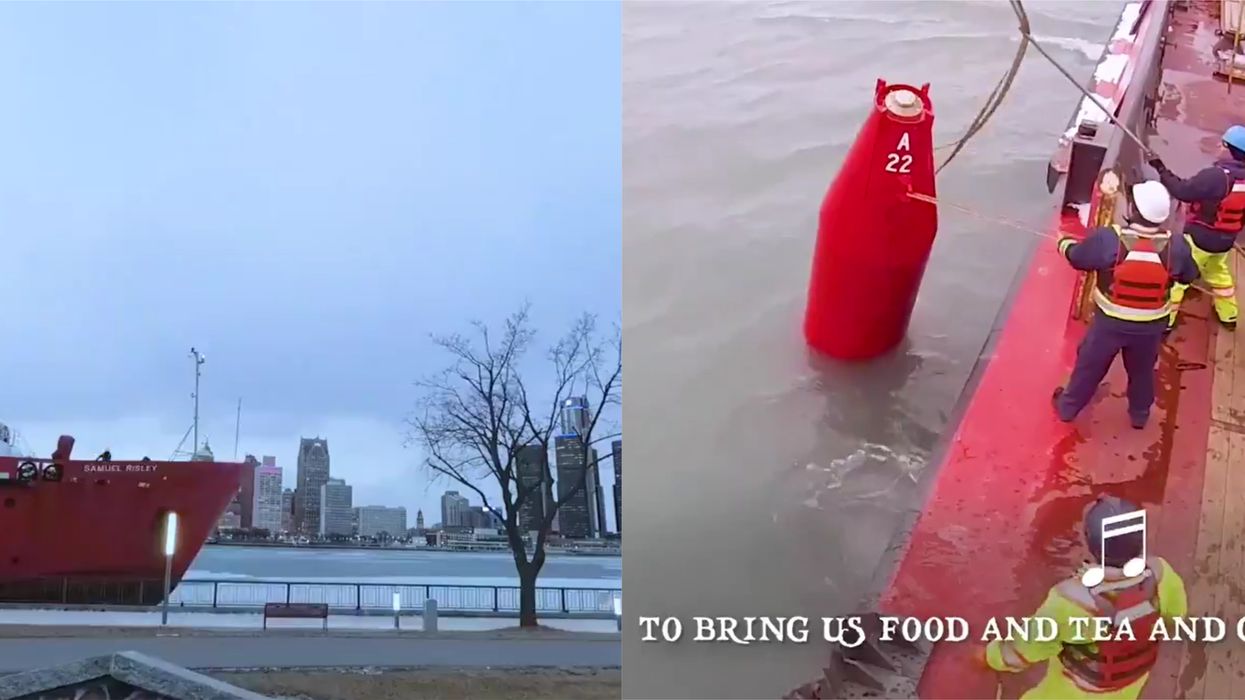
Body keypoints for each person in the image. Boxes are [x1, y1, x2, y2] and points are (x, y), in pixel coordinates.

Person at [985, 496, 1188, 700]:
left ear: (1093, 547)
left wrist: (986, 657)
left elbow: (1020, 654)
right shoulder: (1161, 575)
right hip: (1128, 689)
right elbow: (1176, 615)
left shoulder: (1070, 601)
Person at [1052, 180, 1199, 429]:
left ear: (1133, 210)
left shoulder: (1108, 239)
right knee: (1142, 372)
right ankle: (1140, 415)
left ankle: (1068, 408)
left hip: (1109, 324)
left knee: (1089, 365)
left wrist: (1063, 243)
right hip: (1151, 326)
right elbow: (1189, 275)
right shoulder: (1178, 246)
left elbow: (1078, 257)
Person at [1149, 125, 1245, 330]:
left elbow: (1182, 191)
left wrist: (1161, 169)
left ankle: (1166, 320)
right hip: (1226, 240)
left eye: (1224, 144)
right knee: (1218, 273)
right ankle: (1229, 314)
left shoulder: (1217, 177)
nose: (1220, 146)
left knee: (1179, 276)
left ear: (1231, 150)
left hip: (1200, 238)